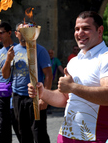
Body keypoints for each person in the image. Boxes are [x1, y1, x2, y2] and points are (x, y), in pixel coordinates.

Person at [28, 11, 108, 143]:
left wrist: (73, 87)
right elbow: (65, 98)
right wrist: (42, 92)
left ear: (100, 31)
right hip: (66, 136)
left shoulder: (105, 58)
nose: (80, 33)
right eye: (77, 29)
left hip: (95, 138)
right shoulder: (74, 61)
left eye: (86, 28)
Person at [2, 23, 53, 143]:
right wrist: (8, 60)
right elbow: (5, 75)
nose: (24, 33)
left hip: (35, 97)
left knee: (38, 132)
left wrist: (44, 98)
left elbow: (49, 75)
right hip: (18, 97)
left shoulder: (40, 50)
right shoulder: (13, 50)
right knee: (23, 132)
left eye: (27, 31)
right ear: (16, 34)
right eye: (21, 31)